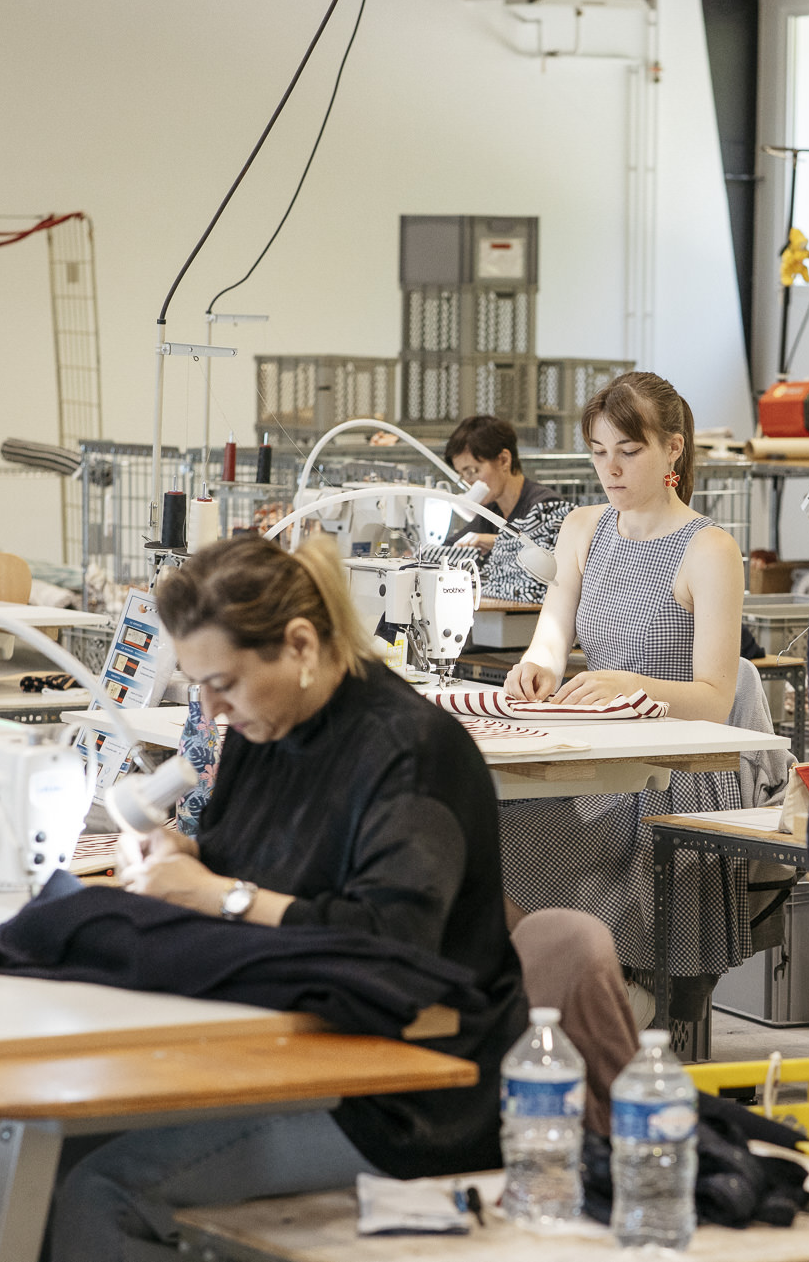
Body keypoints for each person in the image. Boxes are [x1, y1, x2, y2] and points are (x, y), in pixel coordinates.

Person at [47, 535, 528, 1261]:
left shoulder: (413, 750)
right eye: (199, 684)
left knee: (99, 1192)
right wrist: (186, 857)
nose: (209, 707)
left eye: (224, 682)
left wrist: (218, 894)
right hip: (291, 1044)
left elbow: (390, 943)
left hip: (407, 1100)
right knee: (60, 1136)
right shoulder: (260, 729)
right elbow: (251, 864)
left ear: (300, 644)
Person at [501, 372, 750, 1013]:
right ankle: (548, 982)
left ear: (674, 449)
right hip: (597, 746)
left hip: (673, 768)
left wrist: (631, 685)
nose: (609, 469)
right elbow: (552, 636)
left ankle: (620, 993)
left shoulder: (709, 550)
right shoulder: (585, 528)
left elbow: (716, 698)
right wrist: (537, 668)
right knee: (484, 813)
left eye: (628, 451)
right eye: (598, 451)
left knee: (540, 822)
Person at [433, 415, 571, 605]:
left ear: (504, 460)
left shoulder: (544, 508)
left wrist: (496, 542)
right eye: (462, 475)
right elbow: (448, 549)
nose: (469, 482)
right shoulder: (491, 512)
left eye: (473, 471)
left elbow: (549, 561)